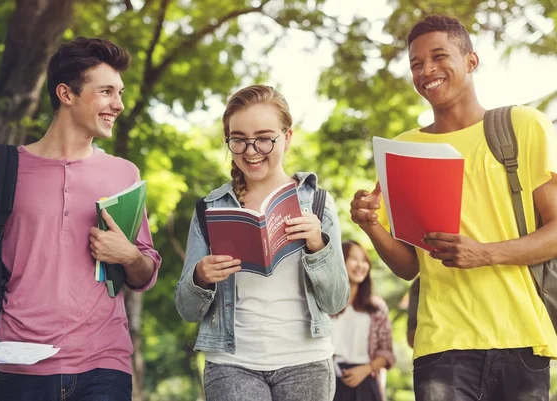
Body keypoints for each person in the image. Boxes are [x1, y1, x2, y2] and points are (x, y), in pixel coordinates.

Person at [350, 15, 557, 401]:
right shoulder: (403, 149)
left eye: (438, 56)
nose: (426, 70)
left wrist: (485, 253)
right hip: (442, 343)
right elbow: (409, 265)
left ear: (471, 61)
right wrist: (371, 226)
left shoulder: (522, 126)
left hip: (521, 336)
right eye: (416, 64)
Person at [0, 37, 161, 401]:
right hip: (18, 364)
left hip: (105, 363)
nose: (119, 104)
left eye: (120, 93)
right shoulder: (3, 168)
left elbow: (145, 273)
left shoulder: (124, 174)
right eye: (106, 92)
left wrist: (129, 255)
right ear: (66, 94)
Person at [174, 84, 350, 401]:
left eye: (264, 139)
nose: (251, 151)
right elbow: (186, 309)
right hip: (232, 364)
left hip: (307, 362)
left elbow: (336, 302)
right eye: (238, 140)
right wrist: (200, 276)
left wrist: (317, 246)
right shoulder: (210, 209)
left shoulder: (319, 204)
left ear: (287, 137)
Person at [332, 240, 394, 401]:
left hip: (365, 381)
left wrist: (366, 370)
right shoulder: (325, 303)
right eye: (353, 258)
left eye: (364, 260)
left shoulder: (376, 307)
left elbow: (386, 352)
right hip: (329, 379)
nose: (360, 265)